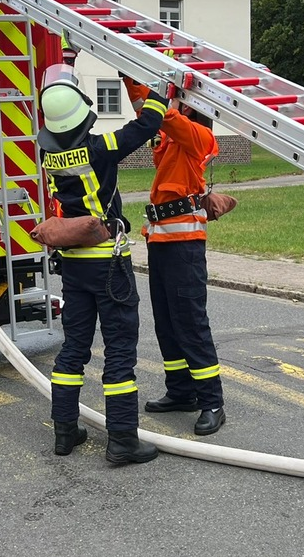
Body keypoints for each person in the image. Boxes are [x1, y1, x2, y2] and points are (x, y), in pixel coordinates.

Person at [37, 63, 165, 464]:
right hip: (109, 265)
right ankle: (123, 440)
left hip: (73, 265)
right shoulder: (99, 148)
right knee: (120, 351)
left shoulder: (47, 153)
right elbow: (145, 126)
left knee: (73, 349)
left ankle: (64, 433)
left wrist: (67, 59)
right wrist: (162, 90)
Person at [123, 76, 226, 436]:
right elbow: (148, 111)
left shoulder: (199, 137)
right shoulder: (170, 140)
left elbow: (162, 114)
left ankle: (211, 401)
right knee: (167, 321)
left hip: (184, 249)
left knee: (191, 322)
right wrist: (130, 78)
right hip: (162, 244)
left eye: (181, 102)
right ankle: (181, 391)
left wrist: (144, 83)